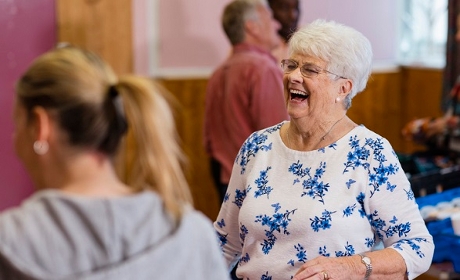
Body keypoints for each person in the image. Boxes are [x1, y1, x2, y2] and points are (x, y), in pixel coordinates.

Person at [214, 19, 434, 280]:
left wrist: (351, 266)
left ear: (343, 88)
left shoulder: (370, 153)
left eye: (310, 70)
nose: (294, 76)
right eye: (291, 65)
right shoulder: (257, 146)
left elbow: (417, 247)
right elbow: (225, 243)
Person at [0, 45, 229, 279]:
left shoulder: (9, 246)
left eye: (17, 124)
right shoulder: (194, 235)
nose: (15, 138)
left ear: (41, 126)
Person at [204, 0, 289, 204]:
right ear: (252, 27)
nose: (277, 26)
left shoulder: (217, 74)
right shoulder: (263, 69)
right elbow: (279, 136)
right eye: (270, 19)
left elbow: (208, 140)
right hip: (259, 183)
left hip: (225, 179)